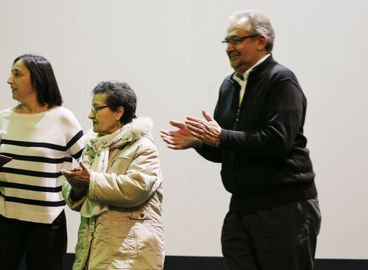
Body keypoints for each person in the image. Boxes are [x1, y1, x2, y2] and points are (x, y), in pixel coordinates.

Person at [160, 10, 321, 270]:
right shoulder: (229, 85)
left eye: (237, 40)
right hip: (242, 207)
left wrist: (221, 136)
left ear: (261, 40)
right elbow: (226, 149)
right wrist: (201, 142)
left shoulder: (282, 80)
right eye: (227, 42)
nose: (229, 48)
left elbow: (277, 141)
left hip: (285, 207)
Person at [0, 54, 85, 270]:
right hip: (4, 219)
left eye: (17, 74)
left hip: (47, 224)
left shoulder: (63, 118)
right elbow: (2, 167)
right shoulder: (2, 119)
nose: (9, 80)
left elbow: (89, 163)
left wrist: (79, 183)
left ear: (38, 79)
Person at [61, 81, 165, 270]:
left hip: (129, 256)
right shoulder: (94, 146)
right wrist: (76, 187)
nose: (90, 115)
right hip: (94, 251)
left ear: (119, 112)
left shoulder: (143, 147)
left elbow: (135, 188)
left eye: (97, 108)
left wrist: (90, 181)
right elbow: (84, 191)